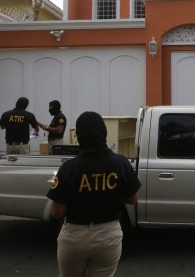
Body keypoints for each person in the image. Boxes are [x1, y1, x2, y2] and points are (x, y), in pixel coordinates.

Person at [47, 111, 141, 277]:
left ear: (79, 136)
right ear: (103, 133)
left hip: (74, 235)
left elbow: (57, 212)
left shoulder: (68, 168)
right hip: (108, 234)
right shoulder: (121, 163)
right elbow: (133, 199)